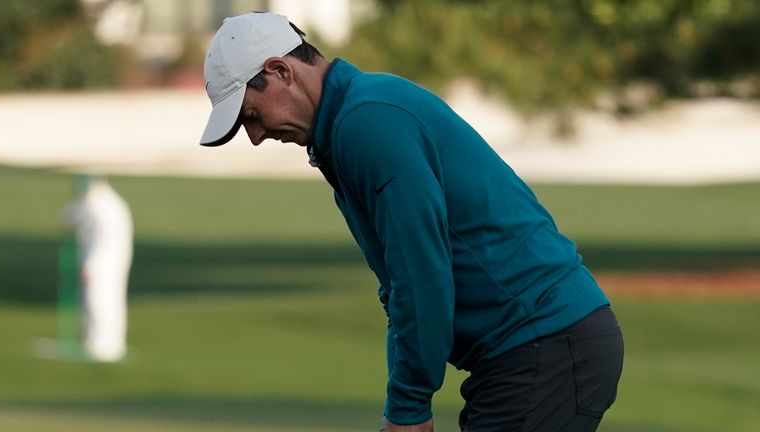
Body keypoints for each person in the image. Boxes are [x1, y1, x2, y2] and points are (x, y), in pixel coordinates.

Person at [199, 12, 624, 432]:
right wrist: (404, 401)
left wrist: (408, 406)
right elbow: (398, 289)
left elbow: (420, 273)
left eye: (251, 116)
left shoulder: (366, 123)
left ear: (280, 70)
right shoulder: (350, 123)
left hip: (545, 343)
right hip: (538, 348)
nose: (254, 137)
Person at [64, 174, 133, 362]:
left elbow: (106, 241)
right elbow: (71, 217)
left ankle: (103, 345)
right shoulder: (96, 203)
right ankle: (98, 342)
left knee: (100, 300)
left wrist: (92, 264)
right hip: (104, 260)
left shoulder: (104, 206)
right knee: (99, 299)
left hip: (105, 261)